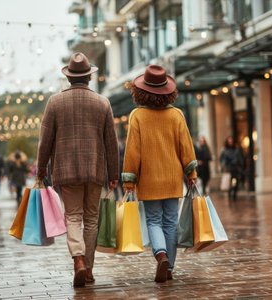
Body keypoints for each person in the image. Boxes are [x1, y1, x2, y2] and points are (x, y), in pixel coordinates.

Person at [36, 52, 119, 287]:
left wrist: (41, 169)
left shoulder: (55, 102)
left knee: (72, 216)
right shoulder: (103, 102)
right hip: (95, 170)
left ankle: (78, 260)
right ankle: (89, 269)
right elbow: (111, 143)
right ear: (89, 78)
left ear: (69, 78)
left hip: (66, 170)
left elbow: (45, 141)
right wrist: (114, 175)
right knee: (92, 219)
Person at [122, 65, 197, 283]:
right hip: (173, 177)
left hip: (149, 178)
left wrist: (129, 179)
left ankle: (161, 255)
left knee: (153, 221)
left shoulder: (137, 116)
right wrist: (191, 173)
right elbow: (187, 147)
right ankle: (170, 268)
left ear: (141, 92)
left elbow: (132, 151)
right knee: (171, 222)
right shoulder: (176, 115)